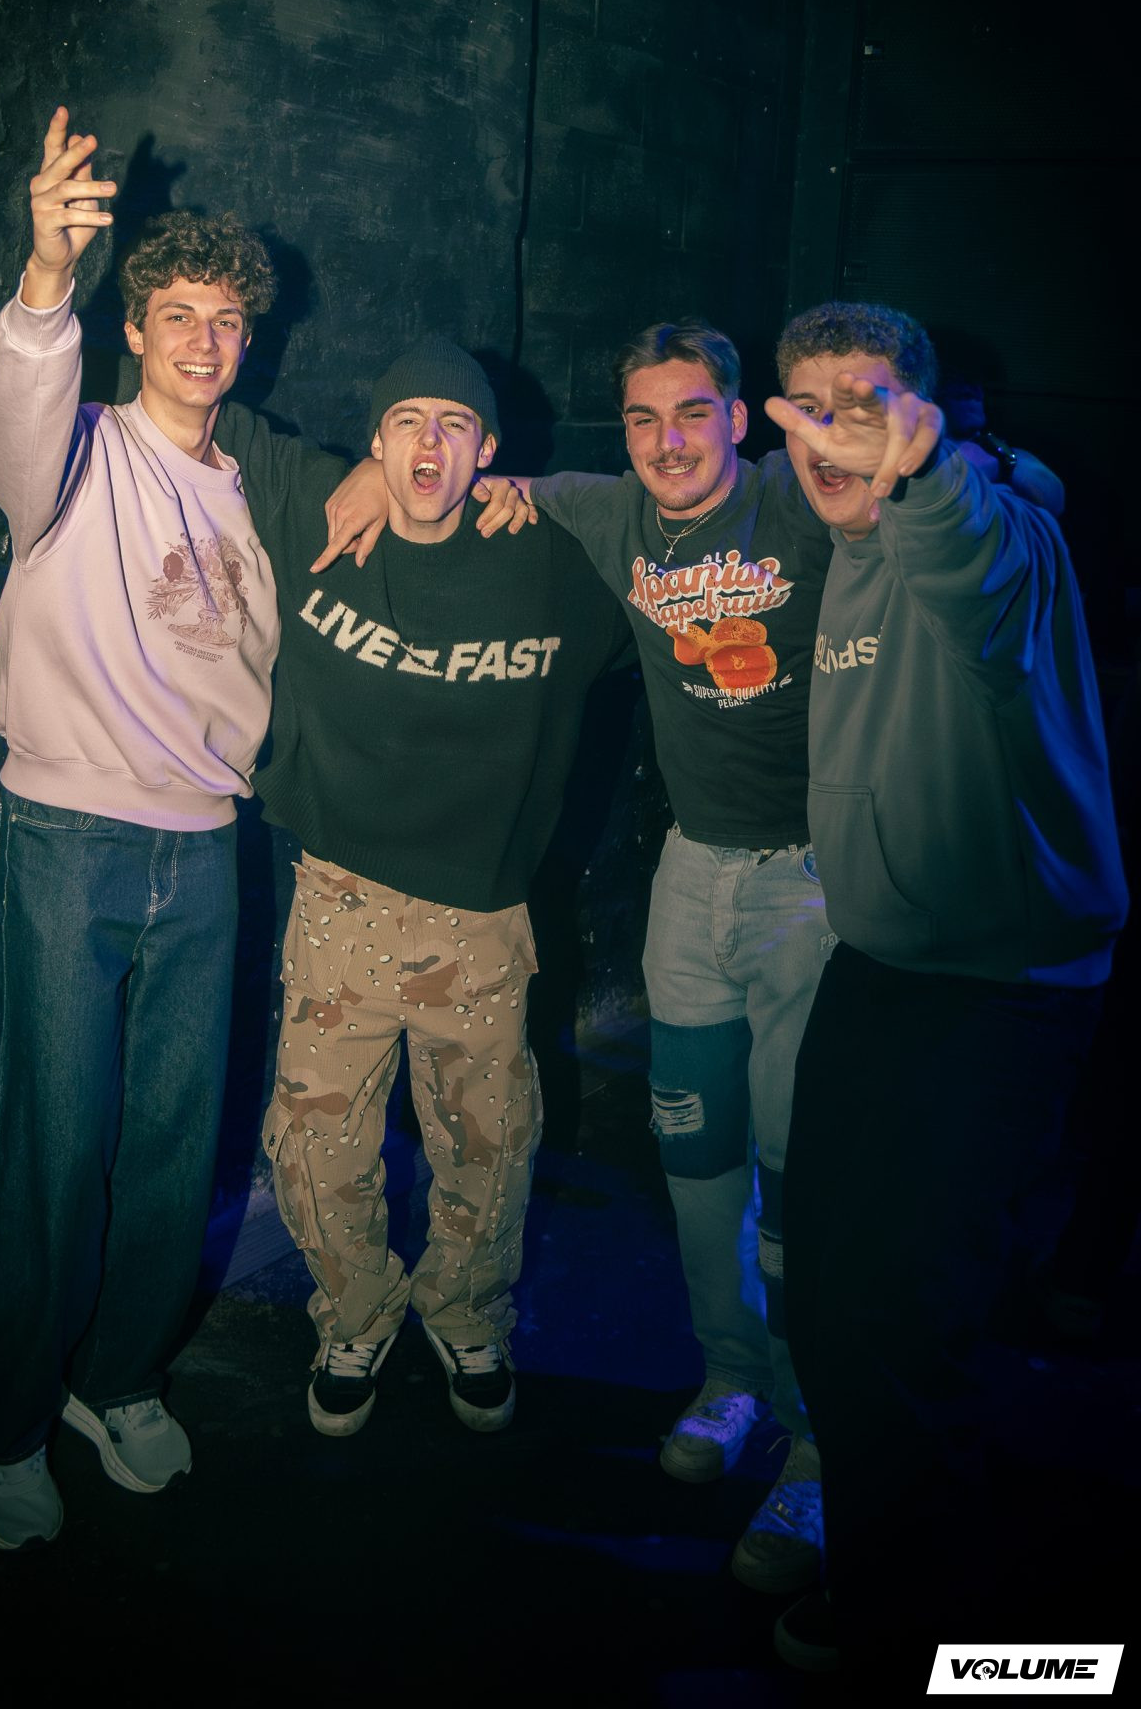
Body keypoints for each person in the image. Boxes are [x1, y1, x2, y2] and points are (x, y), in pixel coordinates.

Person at [0, 107, 294, 1551]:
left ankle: (116, 1377)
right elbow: (23, 400)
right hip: (70, 840)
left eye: (226, 319)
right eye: (176, 313)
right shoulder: (70, 455)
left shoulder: (253, 483)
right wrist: (47, 275)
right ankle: (8, 1422)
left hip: (208, 843)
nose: (203, 339)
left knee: (175, 1146)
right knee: (50, 1149)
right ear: (135, 331)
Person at [764, 301, 1128, 1678]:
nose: (833, 433)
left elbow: (981, 563)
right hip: (883, 970)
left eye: (864, 404)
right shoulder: (850, 543)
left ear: (925, 417)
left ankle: (931, 1639)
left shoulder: (988, 527)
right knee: (827, 1295)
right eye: (809, 407)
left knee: (911, 1324)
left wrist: (930, 477)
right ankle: (881, 1557)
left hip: (999, 991)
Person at [474, 321, 836, 1591]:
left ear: (740, 417)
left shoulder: (802, 500)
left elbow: (963, 501)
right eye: (643, 418)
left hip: (814, 882)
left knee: (802, 1169)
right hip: (692, 876)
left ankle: (819, 1436)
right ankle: (732, 1377)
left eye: (693, 413)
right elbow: (492, 482)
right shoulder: (612, 508)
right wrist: (374, 477)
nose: (668, 442)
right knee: (695, 1146)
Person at [218, 337, 633, 1437]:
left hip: (482, 913)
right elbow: (192, 399)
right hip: (338, 897)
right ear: (376, 439)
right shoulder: (319, 512)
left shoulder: (554, 561)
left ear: (488, 450)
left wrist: (548, 496)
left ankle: (466, 1312)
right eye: (407, 422)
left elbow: (685, 530)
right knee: (316, 1144)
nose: (429, 444)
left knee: (487, 1149)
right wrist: (26, 348)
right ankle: (354, 1314)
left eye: (455, 425)